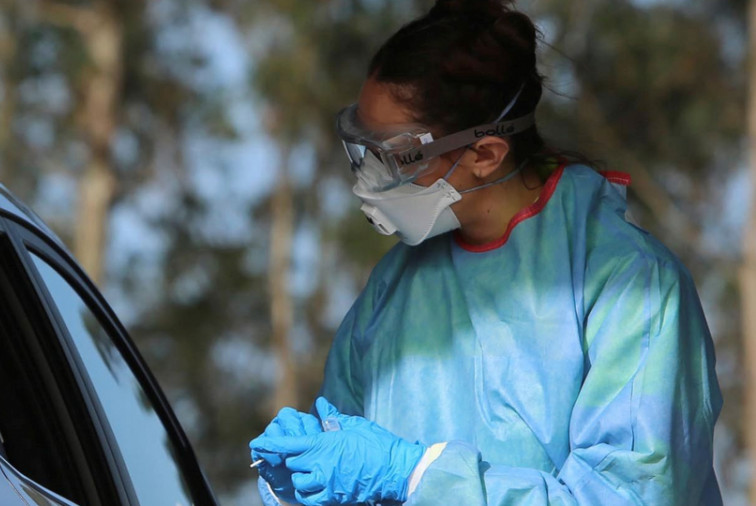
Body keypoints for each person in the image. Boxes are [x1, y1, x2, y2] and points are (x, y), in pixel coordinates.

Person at [249, 0, 723, 504]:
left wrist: (417, 477)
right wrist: (308, 485)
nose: (370, 175)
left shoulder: (630, 287)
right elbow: (350, 462)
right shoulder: (392, 292)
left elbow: (627, 496)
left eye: (395, 156)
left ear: (484, 154)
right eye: (363, 148)